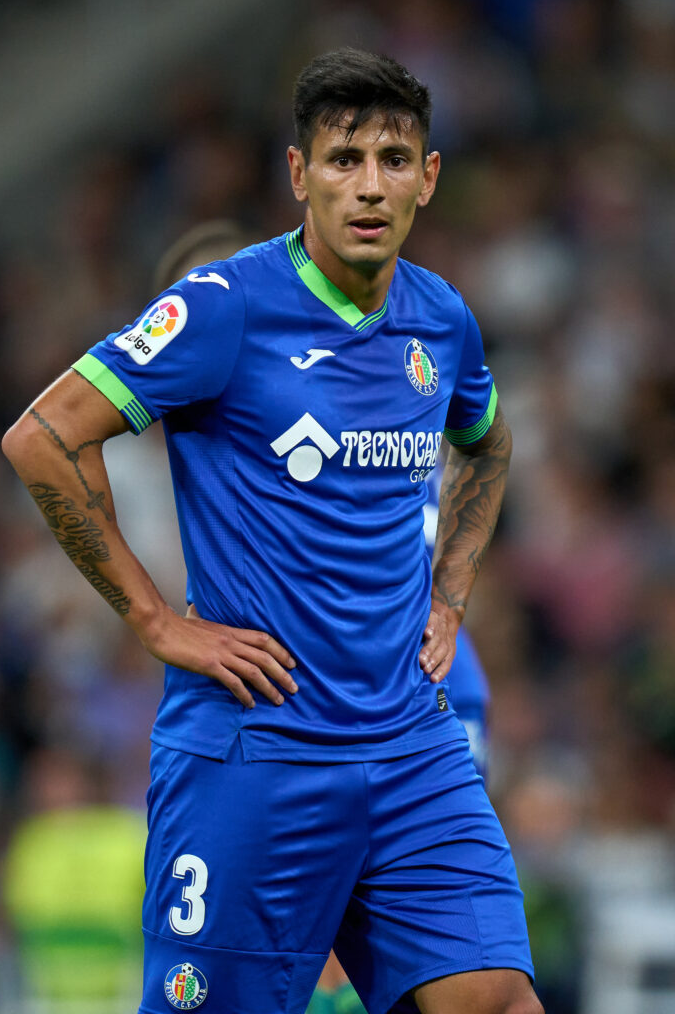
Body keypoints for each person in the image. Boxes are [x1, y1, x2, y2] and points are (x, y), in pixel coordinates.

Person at [3, 48, 541, 1014]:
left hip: (409, 746)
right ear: (300, 176)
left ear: (428, 177)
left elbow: (489, 447)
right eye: (342, 160)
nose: (368, 185)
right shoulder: (227, 307)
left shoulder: (441, 318)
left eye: (392, 157)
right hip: (260, 749)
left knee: (496, 997)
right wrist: (158, 623)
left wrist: (451, 597)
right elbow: (43, 437)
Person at [154, 220, 492, 1014]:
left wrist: (450, 595)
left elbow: (483, 448)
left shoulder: (333, 382)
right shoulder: (365, 377)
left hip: (398, 695)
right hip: (376, 690)